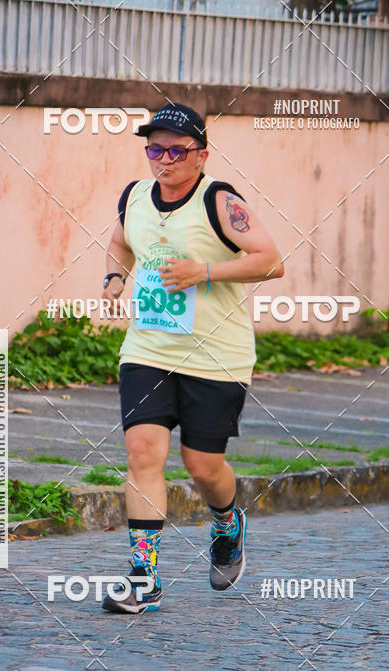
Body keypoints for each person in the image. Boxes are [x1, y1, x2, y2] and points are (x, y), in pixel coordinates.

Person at [101, 103, 284, 613]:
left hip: (216, 357)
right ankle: (144, 578)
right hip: (148, 349)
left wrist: (204, 271)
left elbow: (271, 261)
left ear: (201, 155)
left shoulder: (219, 202)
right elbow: (119, 243)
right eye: (154, 148)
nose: (163, 159)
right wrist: (114, 277)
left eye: (175, 151)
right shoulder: (135, 196)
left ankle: (228, 522)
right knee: (142, 453)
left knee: (203, 466)